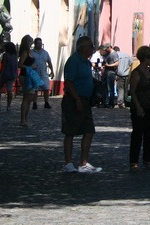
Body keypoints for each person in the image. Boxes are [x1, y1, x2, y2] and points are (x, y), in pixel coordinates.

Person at [62, 36, 101, 173]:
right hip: (73, 100)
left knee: (89, 130)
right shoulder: (74, 61)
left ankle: (83, 163)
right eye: (91, 46)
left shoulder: (86, 62)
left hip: (85, 101)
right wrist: (77, 99)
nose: (93, 48)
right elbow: (69, 82)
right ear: (83, 47)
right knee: (70, 131)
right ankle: (68, 163)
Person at [127, 45, 150, 170]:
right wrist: (138, 106)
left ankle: (147, 159)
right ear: (146, 58)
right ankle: (133, 161)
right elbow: (133, 92)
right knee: (137, 134)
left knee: (149, 134)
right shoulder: (136, 73)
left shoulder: (149, 71)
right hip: (139, 108)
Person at [30, 37, 55, 109]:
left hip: (44, 73)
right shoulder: (32, 52)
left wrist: (52, 71)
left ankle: (46, 102)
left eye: (40, 43)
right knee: (35, 89)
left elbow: (49, 62)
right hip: (35, 73)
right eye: (38, 43)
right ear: (35, 44)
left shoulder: (45, 53)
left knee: (46, 88)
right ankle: (34, 103)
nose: (40, 45)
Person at [19, 57, 43, 127]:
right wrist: (30, 67)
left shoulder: (30, 52)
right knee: (27, 98)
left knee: (29, 99)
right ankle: (23, 119)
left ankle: (25, 119)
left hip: (30, 75)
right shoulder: (25, 53)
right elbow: (20, 64)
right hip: (27, 76)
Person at [0, 41, 18, 111]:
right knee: (9, 90)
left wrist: (1, 73)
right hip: (13, 74)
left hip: (5, 73)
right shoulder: (15, 56)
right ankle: (8, 105)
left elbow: (4, 65)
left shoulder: (6, 55)